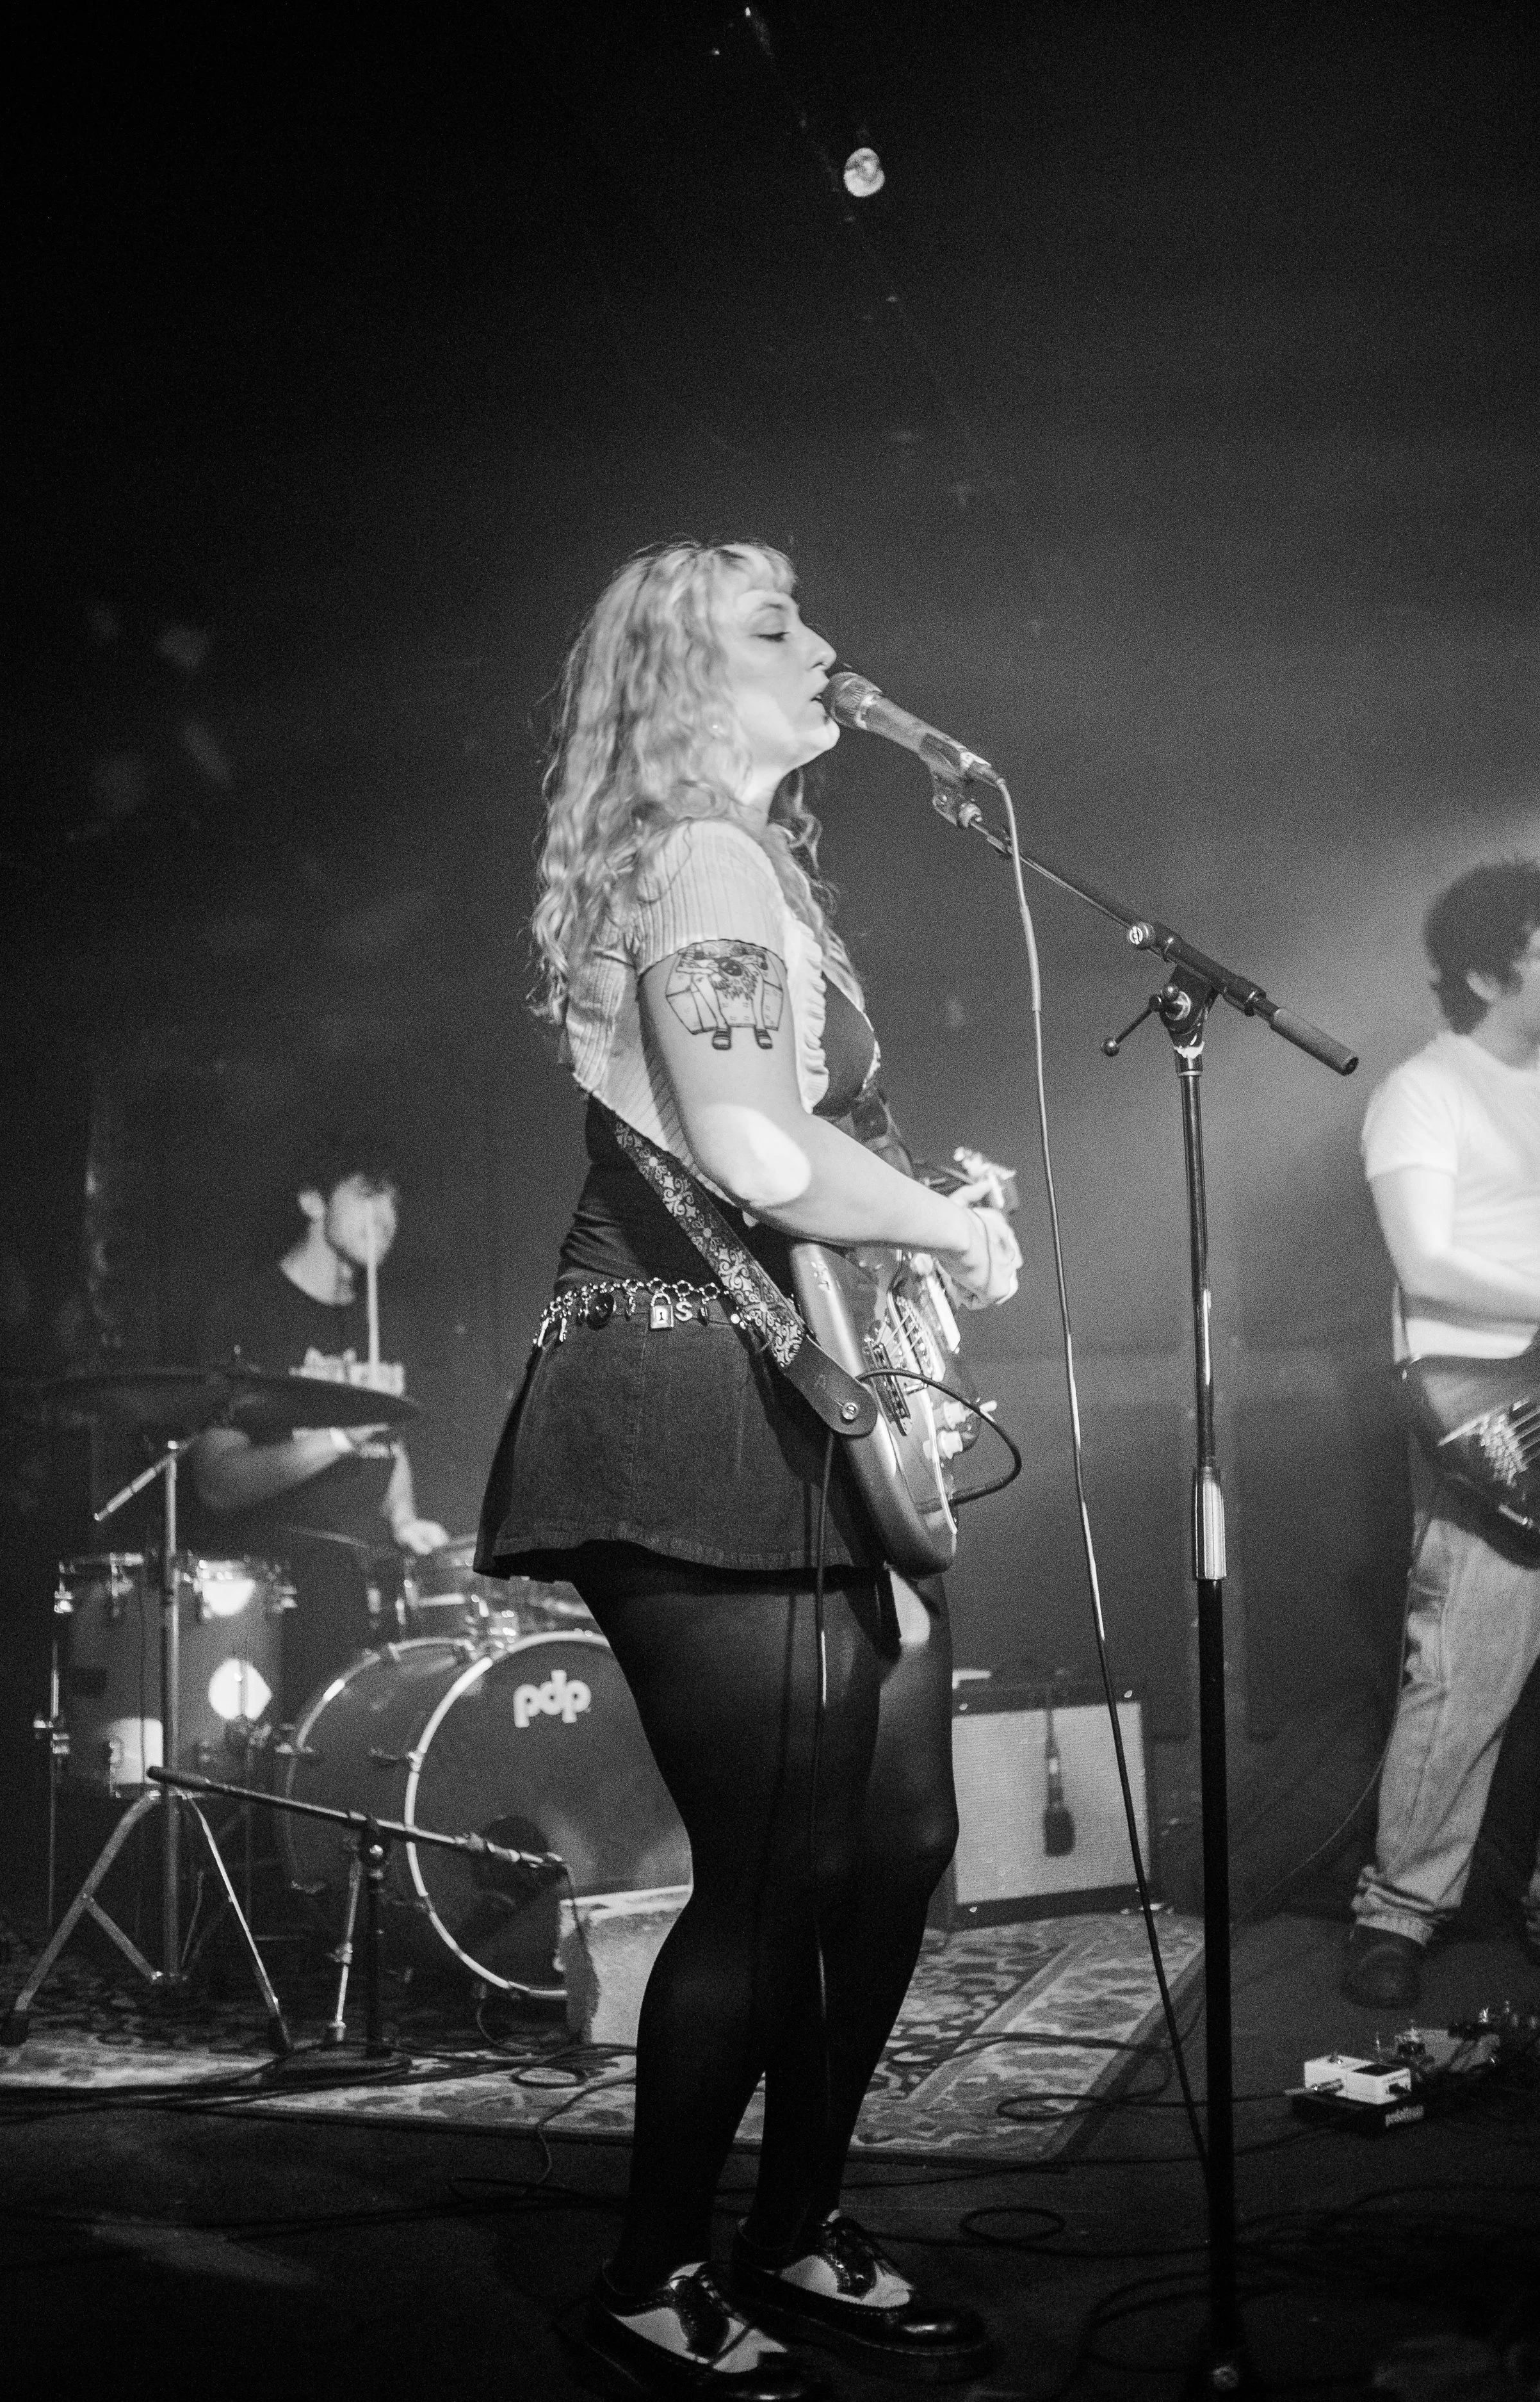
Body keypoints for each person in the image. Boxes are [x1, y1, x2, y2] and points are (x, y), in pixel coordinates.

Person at [478, 541, 1020, 2399]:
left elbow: (792, 1160)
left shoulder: (753, 864)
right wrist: (939, 1228)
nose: (832, 641)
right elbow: (749, 1147)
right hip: (684, 1396)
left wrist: (909, 1228)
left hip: (788, 1388)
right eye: (777, 622)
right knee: (775, 1866)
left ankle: (793, 2224)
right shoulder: (699, 854)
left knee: (893, 1844)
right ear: (679, 679)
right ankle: (653, 2270)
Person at [1343, 860, 1540, 2009]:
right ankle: (1400, 1913)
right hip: (1486, 1408)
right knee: (1464, 1667)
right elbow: (1424, 1261)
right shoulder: (1423, 1092)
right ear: (1485, 971)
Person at [191, 1132, 447, 1717]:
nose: (385, 1219)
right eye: (367, 1196)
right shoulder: (249, 1313)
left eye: (394, 1205)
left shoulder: (389, 1314)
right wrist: (339, 1435)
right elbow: (218, 1482)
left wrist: (404, 1519)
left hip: (375, 1588)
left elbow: (391, 1446)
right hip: (279, 1595)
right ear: (313, 1203)